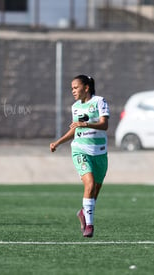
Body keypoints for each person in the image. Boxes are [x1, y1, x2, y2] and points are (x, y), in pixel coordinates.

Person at [50, 74, 110, 238]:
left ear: (86, 88)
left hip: (100, 152)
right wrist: (58, 142)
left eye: (75, 88)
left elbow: (105, 125)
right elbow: (75, 129)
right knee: (89, 185)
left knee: (94, 192)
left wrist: (85, 124)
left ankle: (84, 213)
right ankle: (89, 225)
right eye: (72, 89)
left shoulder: (99, 101)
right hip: (80, 150)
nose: (73, 91)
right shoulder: (75, 106)